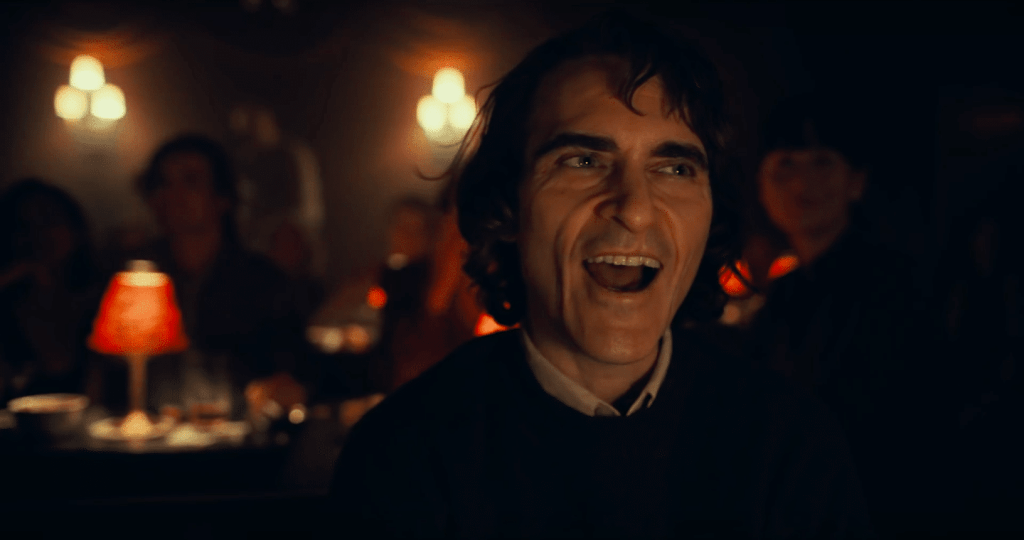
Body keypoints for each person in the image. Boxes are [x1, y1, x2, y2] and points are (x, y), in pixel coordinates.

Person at [328, 12, 872, 538]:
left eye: (675, 168)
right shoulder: (404, 454)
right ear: (510, 205)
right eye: (583, 161)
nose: (635, 209)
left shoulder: (790, 446)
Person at [744, 95, 943, 535]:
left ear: (856, 181)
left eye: (822, 163)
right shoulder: (787, 290)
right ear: (762, 184)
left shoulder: (891, 285)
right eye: (786, 165)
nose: (803, 183)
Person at [91, 135, 309, 418]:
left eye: (190, 181)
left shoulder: (261, 282)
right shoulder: (129, 278)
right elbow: (103, 374)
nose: (173, 195)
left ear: (222, 198)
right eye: (162, 183)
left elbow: (293, 371)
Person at [0, 179, 101, 402]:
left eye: (49, 220)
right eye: (23, 226)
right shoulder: (7, 305)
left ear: (75, 229)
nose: (38, 234)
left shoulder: (103, 301)